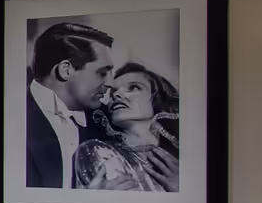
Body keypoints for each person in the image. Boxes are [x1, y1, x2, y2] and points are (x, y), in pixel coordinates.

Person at [25, 22, 115, 188]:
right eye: (102, 73)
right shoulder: (9, 118)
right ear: (66, 70)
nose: (111, 83)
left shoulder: (105, 122)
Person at [73, 62, 181, 192]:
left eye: (133, 87)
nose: (117, 94)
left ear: (157, 98)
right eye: (113, 91)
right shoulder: (100, 152)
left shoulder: (188, 153)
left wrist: (184, 190)